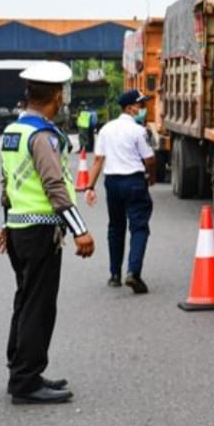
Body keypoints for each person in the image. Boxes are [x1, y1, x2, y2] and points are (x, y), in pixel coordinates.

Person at [0, 61, 95, 405]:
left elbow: (8, 184)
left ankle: (22, 370)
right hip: (39, 231)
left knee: (25, 300)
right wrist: (80, 231)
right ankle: (26, 381)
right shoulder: (43, 136)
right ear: (57, 95)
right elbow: (55, 186)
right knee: (39, 306)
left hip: (19, 228)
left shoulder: (13, 131)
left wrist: (7, 223)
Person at [83, 89, 156, 293]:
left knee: (116, 227)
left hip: (112, 182)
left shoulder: (106, 129)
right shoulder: (138, 131)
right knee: (139, 227)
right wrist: (151, 177)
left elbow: (98, 160)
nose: (143, 109)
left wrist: (90, 186)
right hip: (134, 181)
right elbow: (149, 159)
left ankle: (114, 275)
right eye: (140, 105)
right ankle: (133, 272)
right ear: (129, 108)